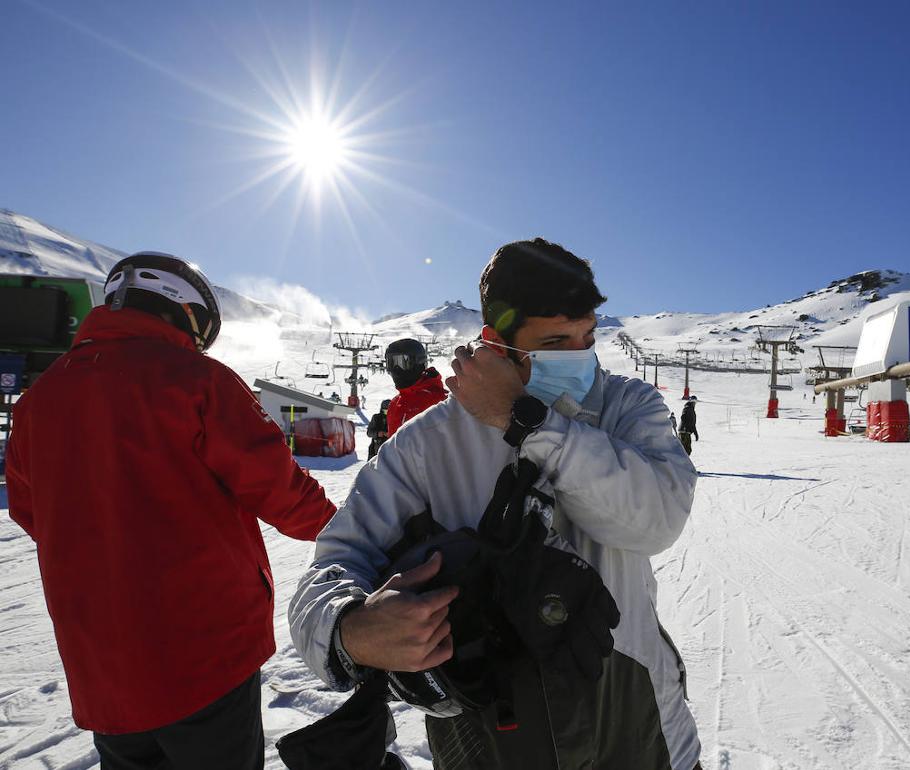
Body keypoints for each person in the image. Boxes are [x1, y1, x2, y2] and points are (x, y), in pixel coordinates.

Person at [289, 238, 701, 770]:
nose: (580, 356)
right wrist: (349, 628)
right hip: (485, 727)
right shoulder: (426, 444)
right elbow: (334, 563)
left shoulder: (626, 406)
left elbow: (658, 521)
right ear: (496, 342)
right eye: (556, 342)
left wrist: (530, 422)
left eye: (588, 337)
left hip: (630, 708)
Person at [4, 252, 337, 769]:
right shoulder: (195, 379)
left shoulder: (36, 400)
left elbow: (32, 513)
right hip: (204, 649)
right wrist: (349, 530)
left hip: (99, 660)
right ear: (186, 312)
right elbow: (278, 489)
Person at [384, 338, 447, 435]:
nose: (396, 369)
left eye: (403, 362)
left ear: (419, 363)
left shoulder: (441, 400)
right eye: (391, 363)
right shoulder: (395, 404)